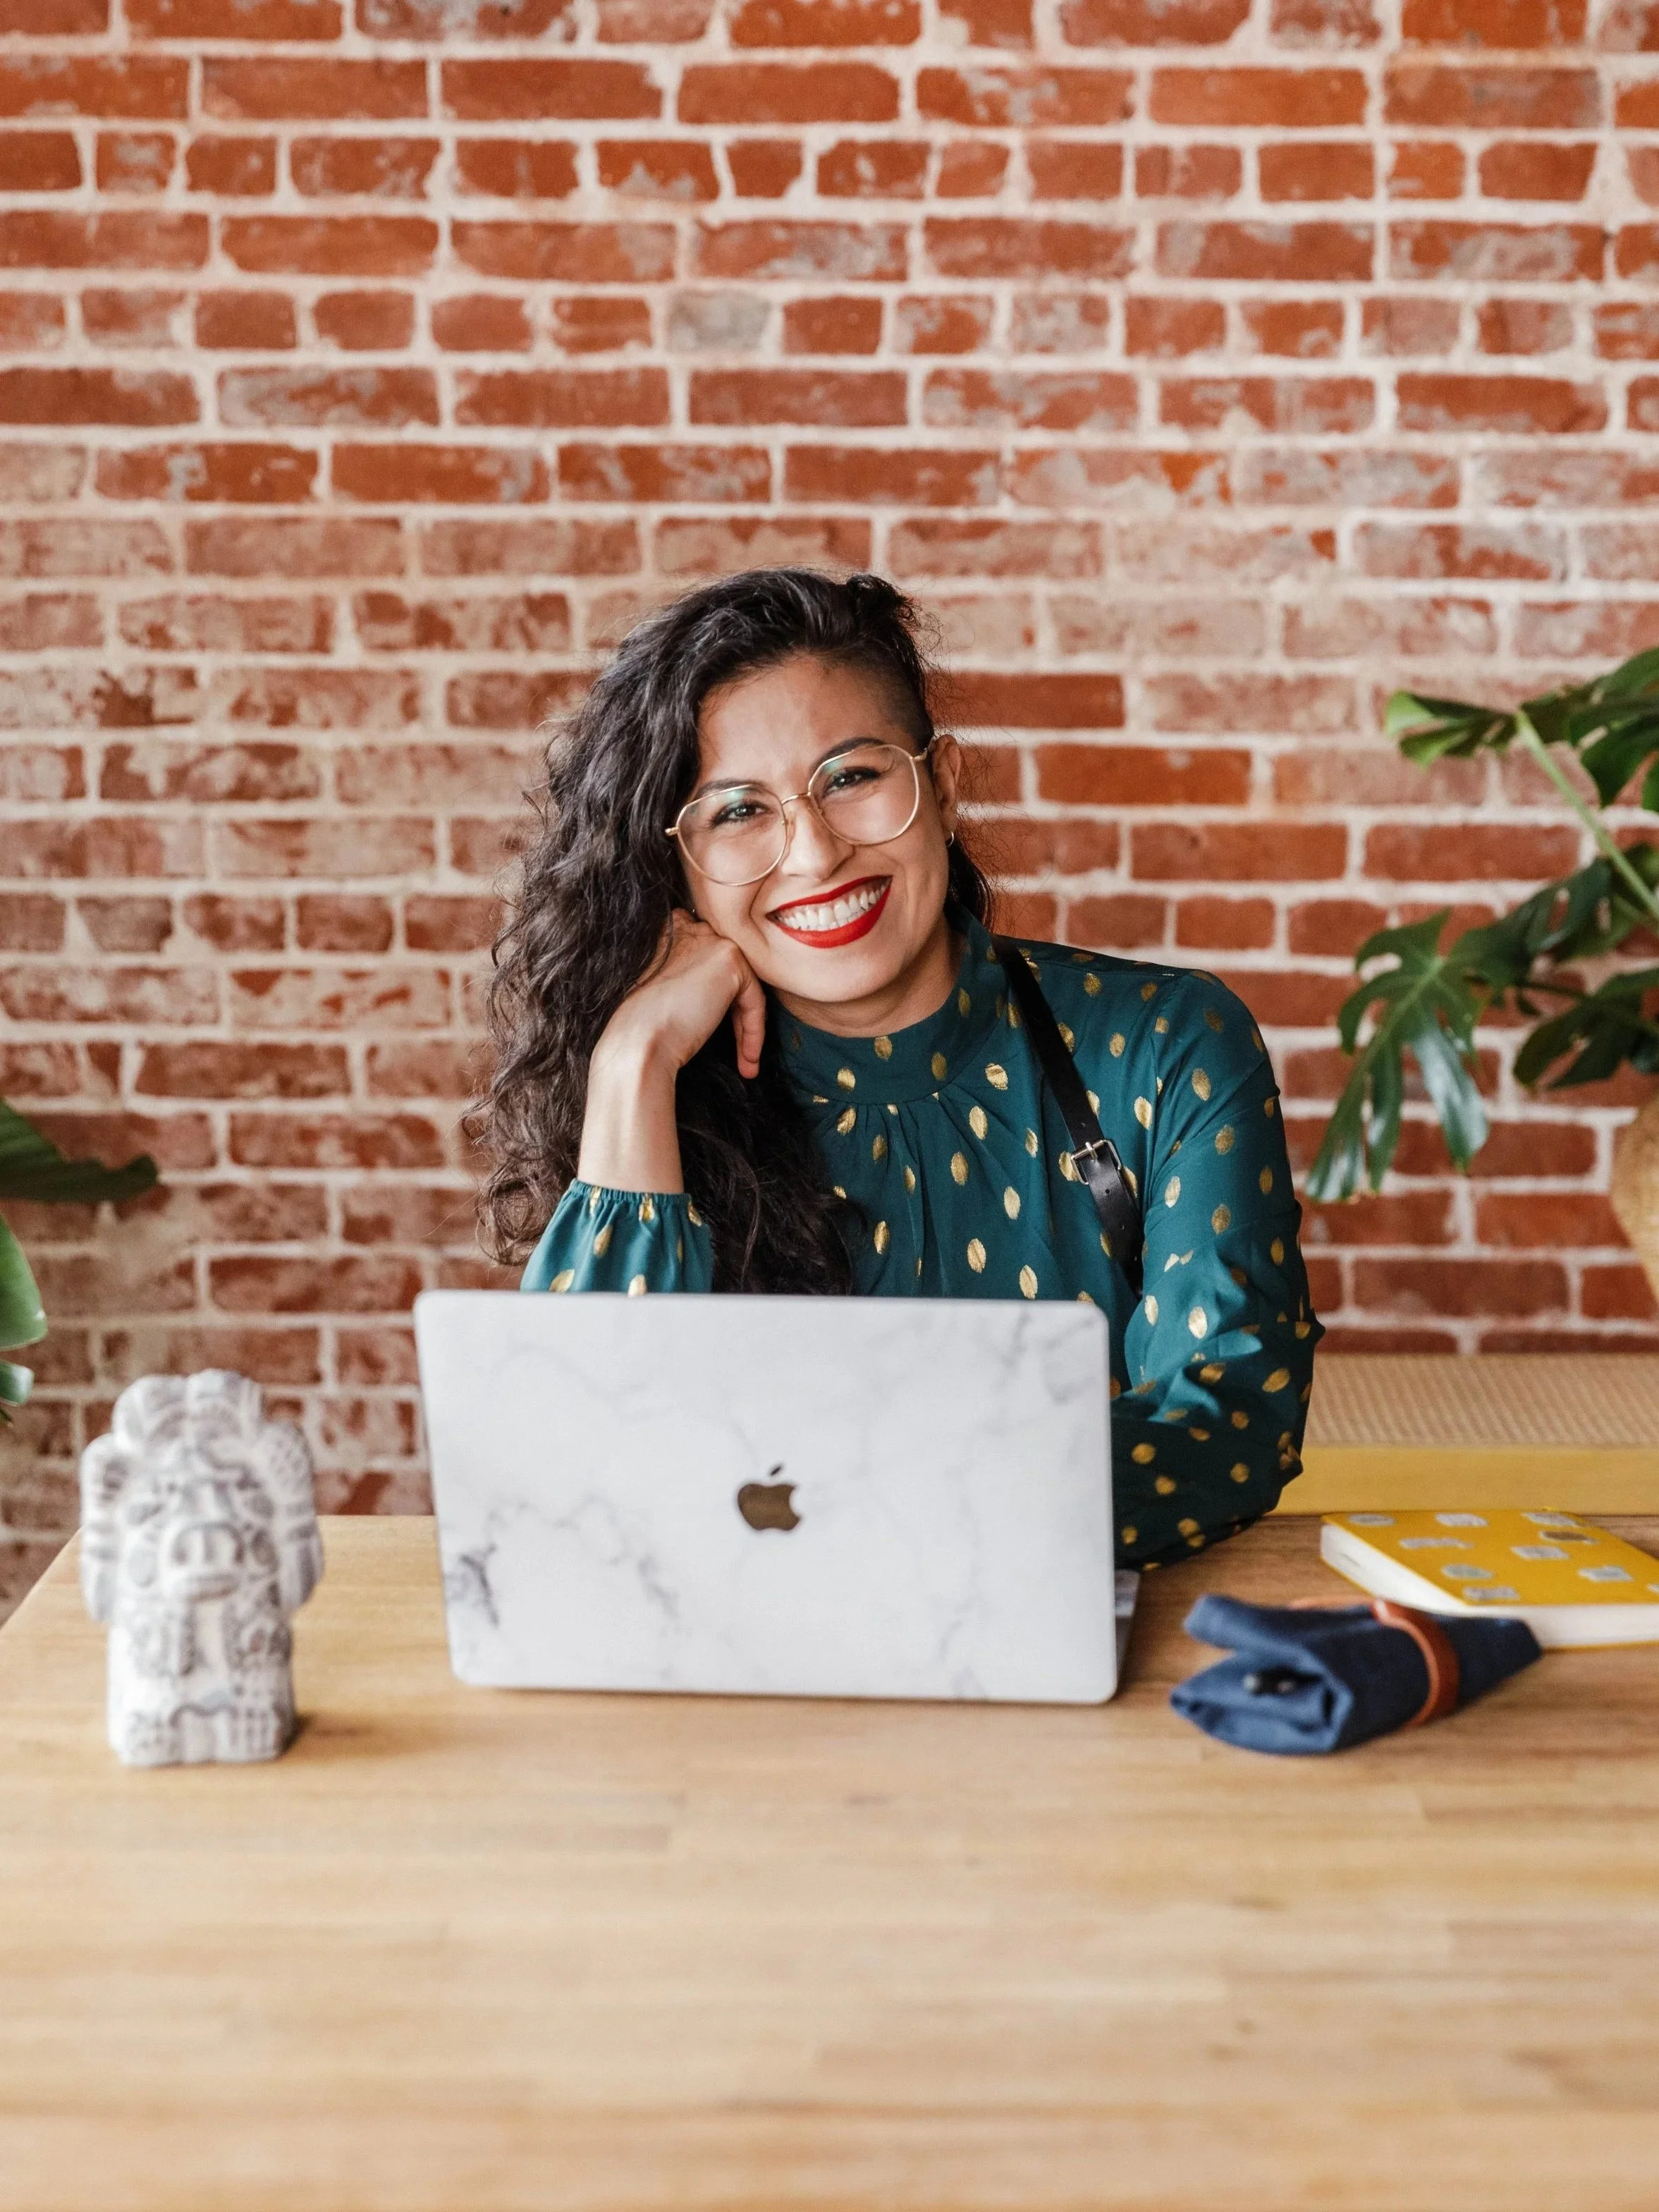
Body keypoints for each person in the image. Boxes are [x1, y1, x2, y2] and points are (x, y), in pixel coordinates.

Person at [479, 569, 1322, 1568]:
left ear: (942, 781)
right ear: (679, 870)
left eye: (851, 777)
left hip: (1055, 1631)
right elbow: (565, 1486)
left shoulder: (1163, 1041)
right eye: (737, 812)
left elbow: (1226, 1425)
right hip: (737, 1674)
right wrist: (634, 1061)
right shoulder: (666, 1090)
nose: (815, 854)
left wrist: (866, 1522)